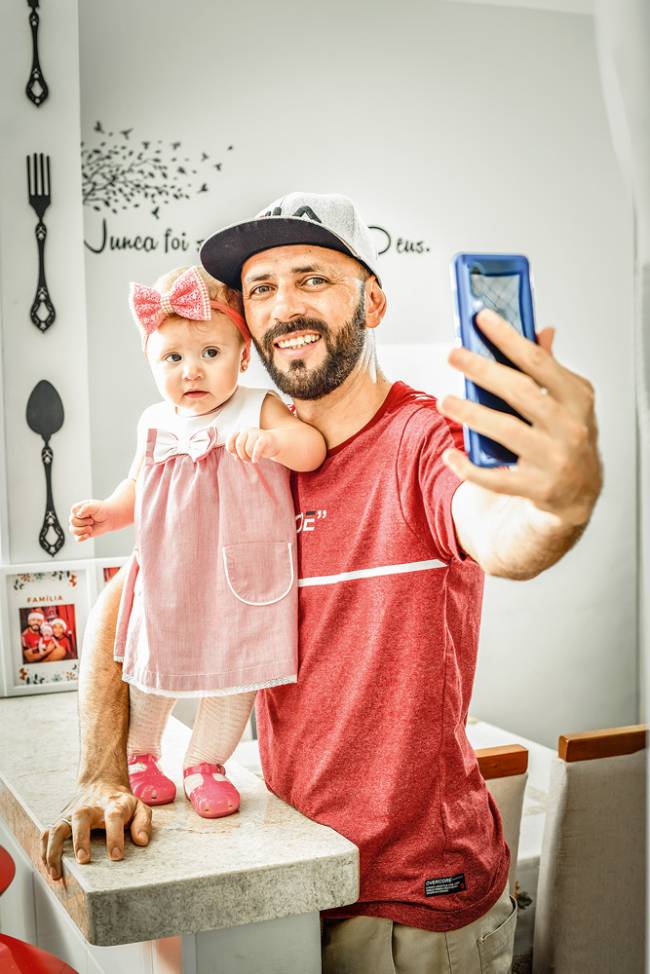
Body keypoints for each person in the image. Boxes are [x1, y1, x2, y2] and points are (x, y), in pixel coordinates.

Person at [42, 193, 601, 973]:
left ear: (372, 298)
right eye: (263, 287)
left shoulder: (420, 441)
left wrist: (560, 501)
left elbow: (505, 533)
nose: (284, 306)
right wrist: (103, 772)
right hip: (291, 879)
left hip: (415, 908)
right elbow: (129, 597)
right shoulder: (235, 452)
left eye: (312, 278)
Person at [68, 264, 326, 819]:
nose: (192, 371)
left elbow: (312, 448)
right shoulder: (154, 421)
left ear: (242, 356)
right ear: (151, 362)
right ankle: (141, 754)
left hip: (243, 570)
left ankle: (205, 763)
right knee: (156, 663)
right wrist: (108, 514)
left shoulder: (257, 406)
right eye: (172, 358)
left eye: (210, 353)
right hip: (171, 570)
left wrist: (275, 441)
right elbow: (137, 486)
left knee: (237, 672)